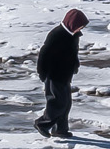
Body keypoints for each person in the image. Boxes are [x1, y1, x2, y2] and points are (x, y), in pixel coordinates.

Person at [34, 8, 87, 137]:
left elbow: (72, 53)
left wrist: (75, 65)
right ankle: (42, 123)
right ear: (71, 23)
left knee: (66, 104)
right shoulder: (56, 35)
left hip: (65, 75)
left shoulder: (73, 36)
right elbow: (44, 55)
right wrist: (42, 73)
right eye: (79, 26)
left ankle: (60, 130)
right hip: (54, 75)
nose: (80, 29)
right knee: (57, 103)